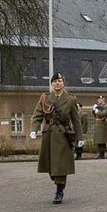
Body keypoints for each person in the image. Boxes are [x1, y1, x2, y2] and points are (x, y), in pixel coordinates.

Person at [32, 73, 84, 204]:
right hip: (48, 134)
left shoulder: (71, 99)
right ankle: (57, 181)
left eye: (59, 81)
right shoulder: (45, 98)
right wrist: (34, 129)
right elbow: (38, 115)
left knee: (60, 165)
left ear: (64, 83)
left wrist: (79, 137)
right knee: (50, 165)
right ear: (51, 84)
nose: (57, 83)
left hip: (62, 135)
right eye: (55, 81)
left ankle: (59, 190)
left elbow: (76, 120)